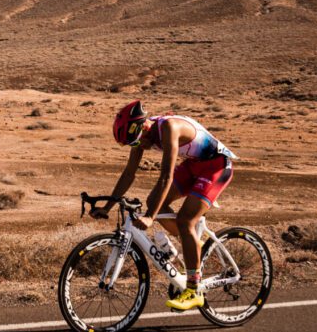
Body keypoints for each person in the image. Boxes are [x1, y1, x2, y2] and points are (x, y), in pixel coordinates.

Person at [93, 100, 238, 311]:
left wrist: (151, 217)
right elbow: (129, 173)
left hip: (216, 166)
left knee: (185, 220)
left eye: (135, 142)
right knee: (154, 202)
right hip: (193, 165)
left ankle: (193, 290)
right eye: (131, 145)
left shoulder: (169, 128)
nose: (137, 147)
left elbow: (166, 177)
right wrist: (106, 207)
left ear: (143, 127)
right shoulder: (142, 136)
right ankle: (192, 244)